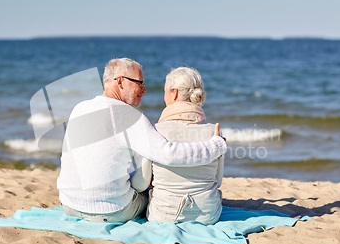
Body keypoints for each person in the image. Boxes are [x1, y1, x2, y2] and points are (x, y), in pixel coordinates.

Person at [57, 58, 227, 223]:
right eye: (140, 83)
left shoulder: (80, 108)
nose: (144, 90)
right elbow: (169, 155)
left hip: (69, 204)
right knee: (149, 195)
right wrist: (216, 145)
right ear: (120, 81)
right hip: (111, 210)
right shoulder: (130, 117)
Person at [142, 67, 224, 224]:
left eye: (165, 91)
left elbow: (143, 182)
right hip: (208, 216)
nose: (164, 96)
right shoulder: (214, 131)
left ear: (174, 93)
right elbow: (218, 181)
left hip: (163, 216)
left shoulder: (155, 131)